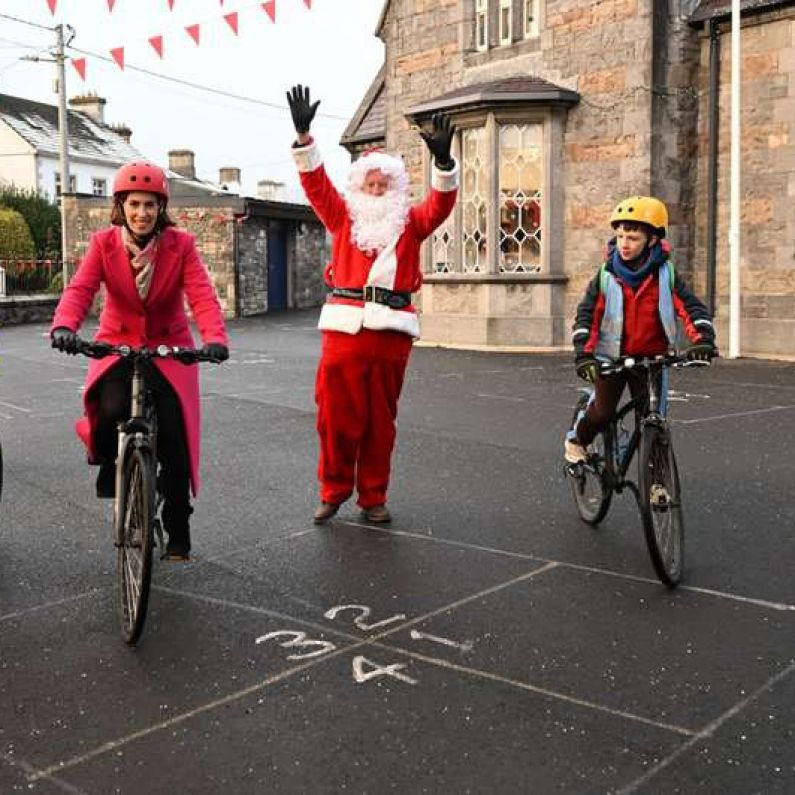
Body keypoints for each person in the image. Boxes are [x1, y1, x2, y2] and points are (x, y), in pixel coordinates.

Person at [286, 84, 459, 525]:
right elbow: (315, 184)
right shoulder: (342, 216)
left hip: (392, 333)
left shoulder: (411, 222)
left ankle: (373, 496)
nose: (378, 190)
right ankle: (333, 489)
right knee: (335, 419)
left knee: (381, 423)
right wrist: (305, 137)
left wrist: (443, 162)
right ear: (359, 187)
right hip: (345, 329)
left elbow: (441, 205)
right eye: (371, 183)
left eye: (385, 184)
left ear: (396, 189)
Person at [50, 161, 229, 560]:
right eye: (134, 204)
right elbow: (81, 288)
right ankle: (112, 460)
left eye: (150, 204)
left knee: (175, 452)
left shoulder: (180, 245)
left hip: (169, 351)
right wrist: (64, 325)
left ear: (160, 208)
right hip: (117, 343)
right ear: (121, 205)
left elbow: (201, 294)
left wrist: (214, 338)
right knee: (109, 409)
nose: (142, 213)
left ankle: (177, 530)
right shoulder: (103, 244)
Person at [565, 195, 716, 463]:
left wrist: (703, 340)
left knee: (653, 421)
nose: (624, 243)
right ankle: (577, 441)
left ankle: (657, 485)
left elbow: (691, 309)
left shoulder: (666, 275)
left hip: (652, 359)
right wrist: (584, 355)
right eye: (621, 236)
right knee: (603, 412)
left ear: (653, 239)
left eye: (633, 238)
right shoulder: (605, 276)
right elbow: (586, 318)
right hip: (610, 358)